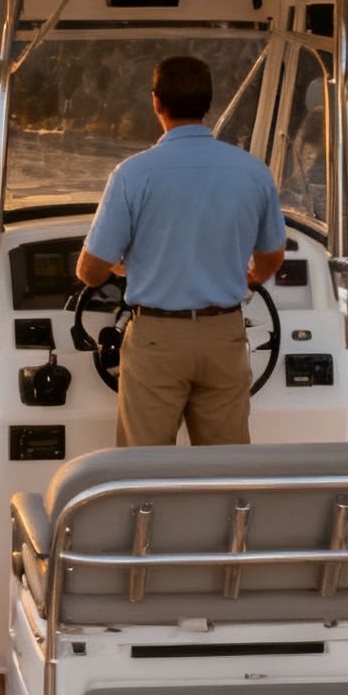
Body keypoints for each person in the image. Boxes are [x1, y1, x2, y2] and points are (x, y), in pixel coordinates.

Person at [76, 55, 287, 447]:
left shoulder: (133, 174)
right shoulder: (253, 171)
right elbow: (273, 255)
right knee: (225, 470)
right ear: (208, 104)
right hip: (224, 335)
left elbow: (90, 272)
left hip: (157, 339)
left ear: (156, 102)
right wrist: (251, 278)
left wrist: (122, 269)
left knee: (143, 471)